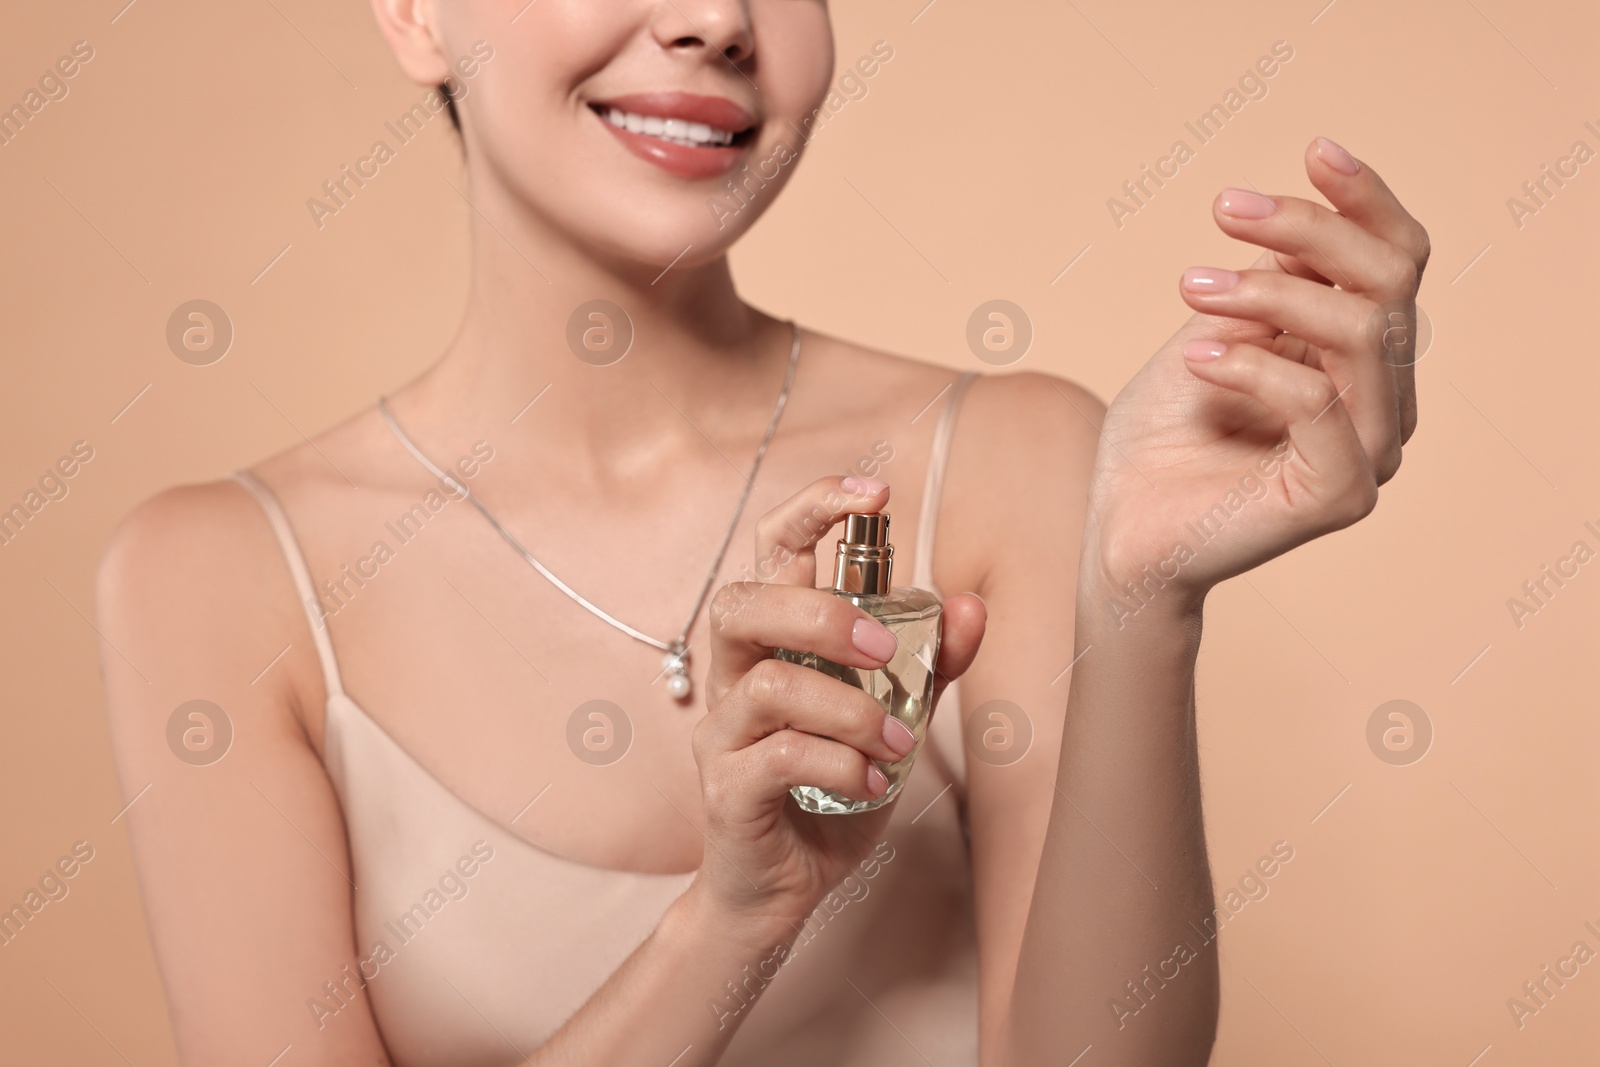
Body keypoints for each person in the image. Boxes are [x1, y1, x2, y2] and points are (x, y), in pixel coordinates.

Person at [94, 2, 1427, 1064]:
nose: (716, 18)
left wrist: (1142, 602)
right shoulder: (217, 577)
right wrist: (737, 917)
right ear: (412, 14)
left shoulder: (1016, 460)